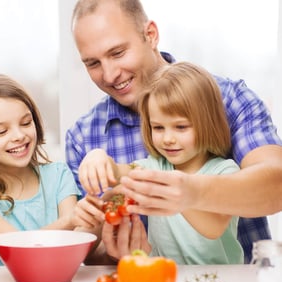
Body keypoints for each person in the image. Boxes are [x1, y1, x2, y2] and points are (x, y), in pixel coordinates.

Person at [66, 0, 282, 263]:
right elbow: (85, 246)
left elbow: (277, 186)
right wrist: (110, 252)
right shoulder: (82, 136)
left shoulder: (230, 99)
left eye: (118, 53)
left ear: (151, 35)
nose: (110, 75)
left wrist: (191, 192)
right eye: (93, 63)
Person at [75, 62, 244, 264]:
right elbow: (118, 172)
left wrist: (177, 192)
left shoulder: (225, 171)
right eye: (158, 127)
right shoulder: (154, 167)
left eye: (180, 127)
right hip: (163, 279)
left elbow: (214, 227)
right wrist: (97, 157)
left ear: (208, 122)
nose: (168, 139)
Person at [0, 74, 79, 266]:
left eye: (26, 123)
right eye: (2, 131)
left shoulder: (58, 175)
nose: (19, 136)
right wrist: (70, 221)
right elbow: (15, 248)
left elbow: (75, 246)